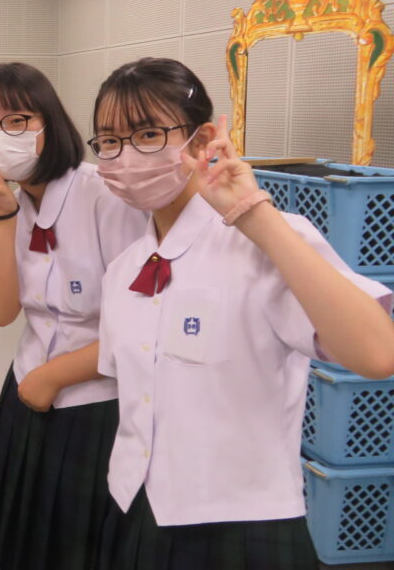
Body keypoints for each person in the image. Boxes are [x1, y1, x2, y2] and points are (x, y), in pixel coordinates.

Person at [90, 57, 394, 569]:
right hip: (135, 509)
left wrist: (255, 215)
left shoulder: (266, 241)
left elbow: (378, 353)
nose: (127, 155)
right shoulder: (124, 269)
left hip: (244, 525)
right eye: (109, 141)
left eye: (147, 134)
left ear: (203, 138)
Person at [0, 62, 145, 570]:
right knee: (20, 541)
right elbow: (1, 313)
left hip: (96, 403)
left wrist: (55, 376)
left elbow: (143, 329)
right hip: (27, 387)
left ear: (49, 123)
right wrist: (0, 218)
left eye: (17, 121)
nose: (0, 136)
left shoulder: (103, 195)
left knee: (77, 550)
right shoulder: (16, 202)